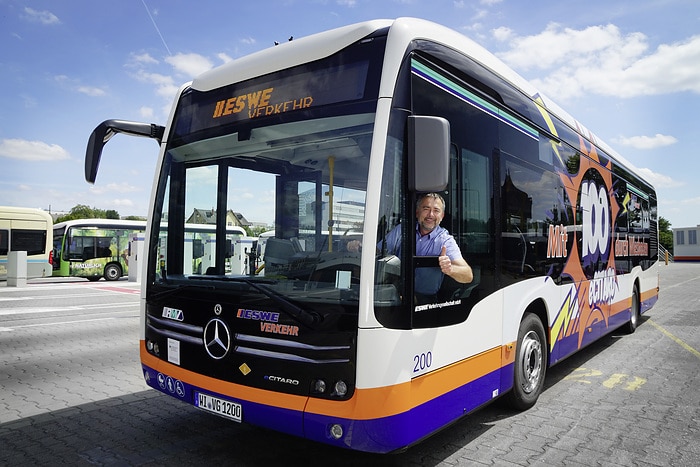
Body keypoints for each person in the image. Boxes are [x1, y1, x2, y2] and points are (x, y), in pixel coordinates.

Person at [348, 192, 473, 296]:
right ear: (417, 212)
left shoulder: (445, 240)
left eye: (436, 210)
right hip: (396, 294)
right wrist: (360, 247)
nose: (431, 215)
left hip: (425, 302)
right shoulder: (403, 229)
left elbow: (468, 275)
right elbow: (378, 251)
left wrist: (450, 269)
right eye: (426, 209)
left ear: (442, 216)